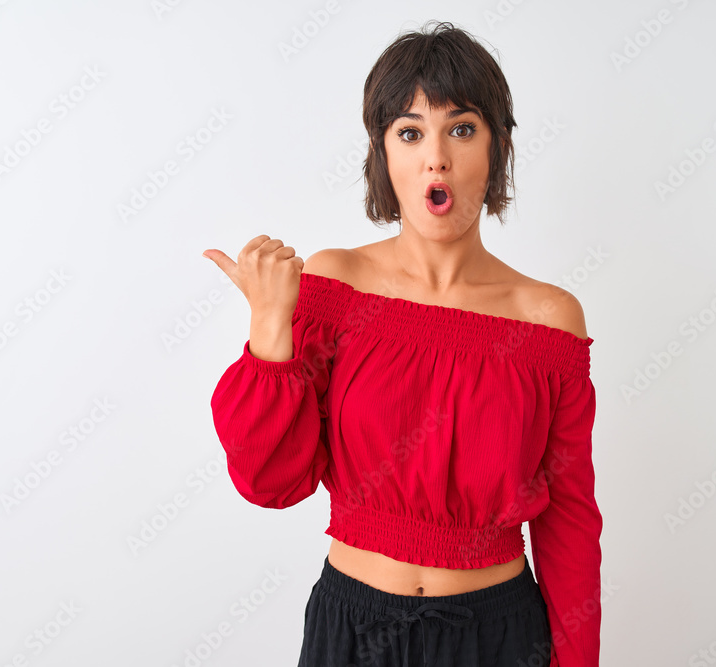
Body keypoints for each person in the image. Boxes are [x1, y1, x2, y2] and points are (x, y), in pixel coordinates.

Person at [203, 20, 602, 667]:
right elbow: (267, 481)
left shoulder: (549, 318)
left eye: (462, 128)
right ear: (384, 154)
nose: (435, 156)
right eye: (410, 131)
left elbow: (570, 523)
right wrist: (270, 330)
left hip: (498, 639)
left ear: (496, 148)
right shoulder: (334, 284)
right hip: (353, 631)